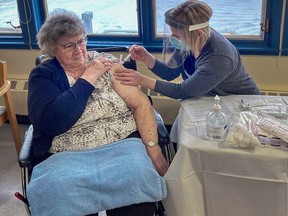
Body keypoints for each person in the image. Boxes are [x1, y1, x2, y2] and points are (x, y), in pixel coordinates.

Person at [27, 9, 168, 216]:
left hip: (121, 144)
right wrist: (88, 78)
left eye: (81, 41)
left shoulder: (108, 63)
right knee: (57, 192)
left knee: (138, 183)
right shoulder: (43, 75)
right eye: (68, 45)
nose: (79, 50)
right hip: (66, 153)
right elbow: (51, 121)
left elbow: (140, 105)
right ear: (52, 49)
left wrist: (154, 152)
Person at [113, 0, 260, 99]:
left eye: (176, 35)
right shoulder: (190, 41)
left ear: (199, 33)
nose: (172, 38)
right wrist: (146, 57)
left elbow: (183, 91)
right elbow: (170, 72)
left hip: (239, 102)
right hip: (212, 97)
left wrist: (142, 80)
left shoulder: (219, 57)